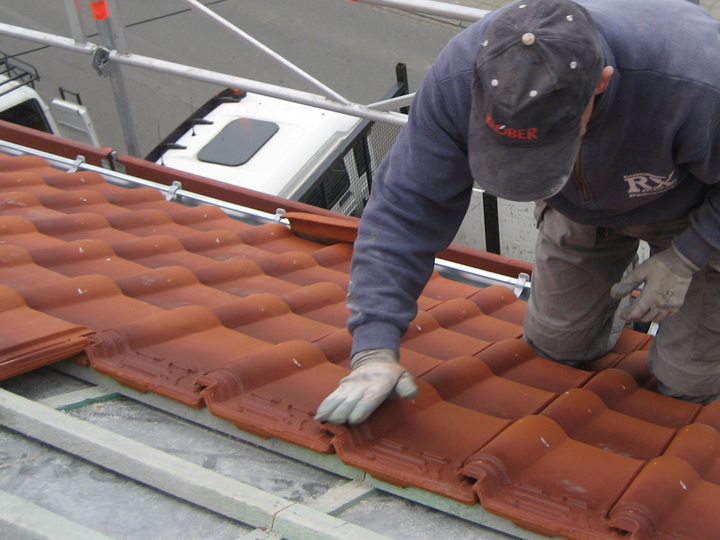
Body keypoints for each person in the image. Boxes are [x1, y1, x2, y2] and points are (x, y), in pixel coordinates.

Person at [315, 0, 720, 425]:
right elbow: (405, 209)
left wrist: (685, 257)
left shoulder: (697, 82)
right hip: (576, 205)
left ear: (601, 83)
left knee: (688, 381)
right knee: (558, 345)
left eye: (549, 146)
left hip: (695, 209)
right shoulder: (459, 76)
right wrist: (374, 348)